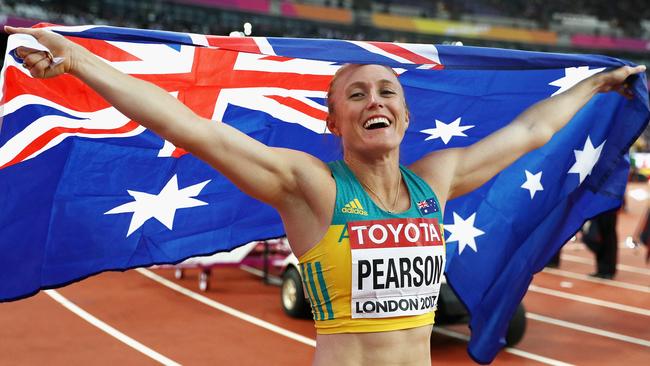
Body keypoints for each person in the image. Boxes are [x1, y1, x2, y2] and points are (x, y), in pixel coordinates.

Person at [8, 25, 645, 366]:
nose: (376, 100)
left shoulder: (436, 181)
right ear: (333, 122)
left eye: (388, 91)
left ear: (405, 112)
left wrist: (596, 88)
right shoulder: (312, 188)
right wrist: (79, 63)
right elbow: (191, 129)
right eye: (357, 94)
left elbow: (531, 130)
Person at [582, 209, 619, 279]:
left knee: (607, 238)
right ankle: (602, 269)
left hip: (608, 209)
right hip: (602, 209)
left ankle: (607, 270)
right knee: (600, 237)